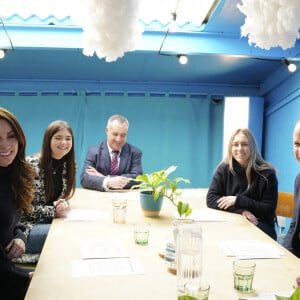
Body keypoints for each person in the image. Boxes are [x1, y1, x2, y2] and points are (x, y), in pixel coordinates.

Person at [206, 128, 278, 240]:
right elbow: (211, 199)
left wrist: (237, 200)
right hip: (235, 220)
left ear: (252, 147)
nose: (239, 148)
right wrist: (241, 211)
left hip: (260, 224)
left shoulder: (267, 174)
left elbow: (268, 209)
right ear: (231, 148)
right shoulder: (224, 169)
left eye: (244, 144)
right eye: (235, 144)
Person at [21, 120, 76, 254]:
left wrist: (62, 204)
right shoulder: (31, 165)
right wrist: (54, 211)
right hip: (27, 228)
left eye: (68, 139)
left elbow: (61, 197)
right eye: (58, 138)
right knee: (70, 237)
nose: (64, 143)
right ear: (48, 140)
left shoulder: (69, 165)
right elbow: (23, 208)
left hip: (52, 221)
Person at [0, 107, 35, 299]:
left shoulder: (11, 173)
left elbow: (16, 218)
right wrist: (26, 278)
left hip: (10, 270)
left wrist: (20, 235)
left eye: (11, 136)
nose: (5, 146)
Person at [80, 114, 143, 191]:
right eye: (115, 134)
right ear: (107, 130)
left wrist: (105, 178)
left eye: (123, 135)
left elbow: (138, 179)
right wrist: (108, 181)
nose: (118, 139)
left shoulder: (135, 153)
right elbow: (85, 178)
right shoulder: (93, 152)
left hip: (124, 198)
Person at [283, 120, 300, 257]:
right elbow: (294, 224)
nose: (299, 151)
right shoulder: (299, 179)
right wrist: (285, 253)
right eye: (297, 144)